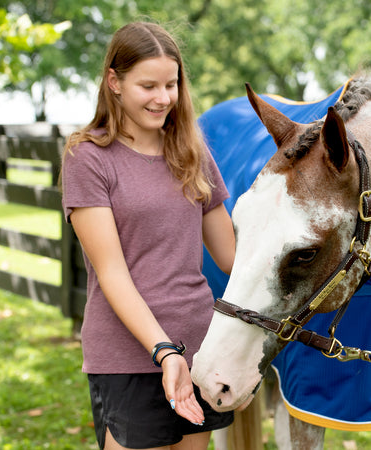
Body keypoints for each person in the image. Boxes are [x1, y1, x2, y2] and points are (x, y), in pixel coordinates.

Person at [60, 21, 235, 450]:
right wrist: (163, 352)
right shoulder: (88, 158)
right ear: (114, 82)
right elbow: (113, 274)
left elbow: (232, 257)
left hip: (197, 348)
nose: (163, 98)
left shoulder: (192, 151)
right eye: (148, 86)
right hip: (127, 358)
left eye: (171, 85)